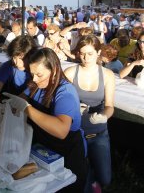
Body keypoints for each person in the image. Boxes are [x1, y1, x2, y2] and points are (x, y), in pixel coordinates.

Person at [5, 48, 87, 192]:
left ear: (54, 70)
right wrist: (7, 106)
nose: (34, 79)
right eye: (32, 74)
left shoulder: (65, 92)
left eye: (39, 74)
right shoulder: (35, 86)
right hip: (42, 151)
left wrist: (27, 109)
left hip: (66, 156)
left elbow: (61, 130)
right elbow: (20, 101)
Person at [64, 35, 115, 192]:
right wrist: (73, 108)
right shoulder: (71, 72)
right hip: (76, 133)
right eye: (82, 53)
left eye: (90, 53)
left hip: (99, 133)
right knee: (79, 182)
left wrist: (104, 116)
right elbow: (60, 102)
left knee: (105, 179)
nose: (86, 58)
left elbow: (109, 106)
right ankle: (88, 174)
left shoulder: (107, 75)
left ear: (98, 52)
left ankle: (91, 172)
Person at [0, 35, 37, 106]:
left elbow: (25, 96)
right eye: (14, 57)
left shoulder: (37, 70)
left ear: (30, 57)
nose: (16, 62)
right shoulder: (8, 66)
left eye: (21, 58)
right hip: (11, 104)